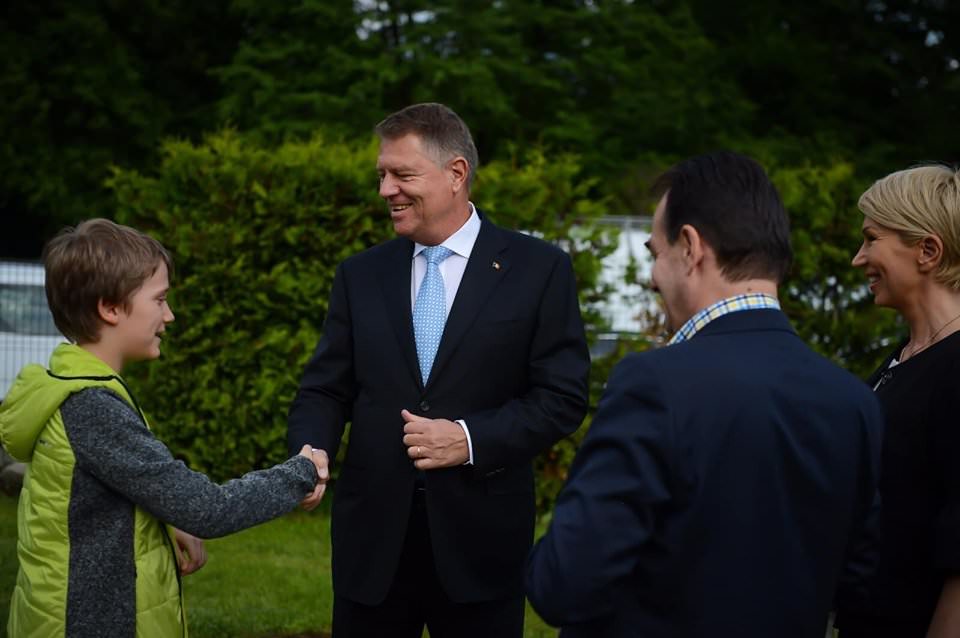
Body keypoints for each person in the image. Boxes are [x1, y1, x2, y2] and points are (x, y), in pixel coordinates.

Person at [525, 151, 885, 638]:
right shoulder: (854, 402)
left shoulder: (653, 384)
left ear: (691, 247)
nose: (652, 275)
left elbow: (565, 582)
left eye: (655, 252)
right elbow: (860, 587)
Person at [287, 102, 590, 638]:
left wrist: (469, 439)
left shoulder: (539, 270)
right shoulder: (360, 274)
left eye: (402, 175)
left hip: (482, 546)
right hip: (372, 545)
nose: (385, 190)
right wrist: (312, 449)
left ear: (456, 174)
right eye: (382, 175)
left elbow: (561, 398)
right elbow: (325, 389)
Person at [0, 218, 329, 638]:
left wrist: (165, 519)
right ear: (111, 308)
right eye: (159, 300)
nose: (169, 315)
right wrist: (300, 471)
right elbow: (207, 508)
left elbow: (95, 498)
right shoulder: (93, 407)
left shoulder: (77, 390)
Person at [836, 164, 960, 637]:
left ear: (928, 250)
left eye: (871, 239)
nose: (857, 257)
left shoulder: (955, 365)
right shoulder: (901, 360)